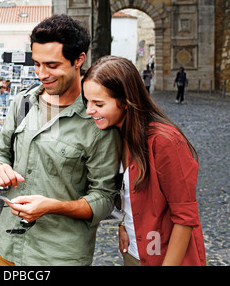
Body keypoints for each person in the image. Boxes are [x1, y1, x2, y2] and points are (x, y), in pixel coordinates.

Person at [0, 14, 121, 266]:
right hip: (9, 246)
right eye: (36, 64)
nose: (41, 74)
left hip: (59, 254)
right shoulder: (22, 103)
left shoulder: (99, 119)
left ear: (79, 59)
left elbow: (104, 198)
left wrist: (53, 206)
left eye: (52, 65)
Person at [81, 56, 206, 266]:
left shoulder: (165, 142)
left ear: (125, 102)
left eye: (98, 104)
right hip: (135, 252)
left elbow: (185, 219)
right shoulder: (118, 134)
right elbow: (133, 193)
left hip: (165, 258)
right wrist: (125, 222)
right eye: (87, 101)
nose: (89, 110)